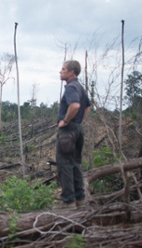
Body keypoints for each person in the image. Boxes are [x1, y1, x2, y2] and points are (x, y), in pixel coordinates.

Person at [54, 60, 92, 210]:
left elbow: (75, 105)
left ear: (71, 72)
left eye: (63, 69)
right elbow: (87, 107)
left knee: (65, 164)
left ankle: (68, 201)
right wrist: (78, 121)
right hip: (77, 129)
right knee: (75, 163)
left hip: (68, 131)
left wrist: (66, 120)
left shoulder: (71, 87)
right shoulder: (79, 87)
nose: (60, 71)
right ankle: (80, 199)